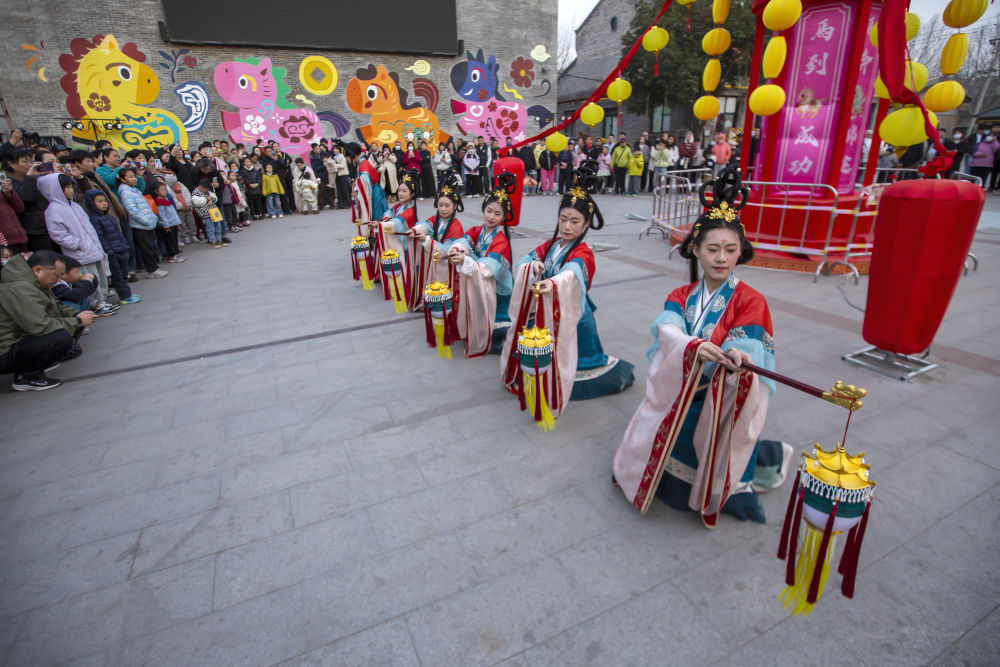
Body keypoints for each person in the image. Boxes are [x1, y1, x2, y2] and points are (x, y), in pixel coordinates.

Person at [613, 166, 791, 525]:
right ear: (695, 249)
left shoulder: (751, 300)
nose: (721, 258)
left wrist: (737, 358)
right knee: (655, 429)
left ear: (742, 251)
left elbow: (750, 350)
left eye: (730, 249)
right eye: (712, 249)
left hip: (718, 395)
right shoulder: (682, 294)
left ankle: (743, 474)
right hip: (682, 388)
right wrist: (691, 345)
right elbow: (667, 328)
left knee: (715, 436)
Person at [501, 185, 635, 416]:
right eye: (563, 219)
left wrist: (553, 284)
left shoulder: (583, 252)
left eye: (575, 221)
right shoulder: (551, 245)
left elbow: (572, 273)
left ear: (585, 225)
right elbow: (526, 258)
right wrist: (534, 266)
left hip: (573, 314)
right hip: (546, 309)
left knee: (572, 357)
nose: (567, 226)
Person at [0, 250, 98, 390]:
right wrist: (76, 321)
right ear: (38, 270)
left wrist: (77, 314)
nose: (59, 280)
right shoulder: (19, 289)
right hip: (5, 350)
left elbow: (56, 308)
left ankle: (36, 364)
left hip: (19, 339)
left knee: (74, 319)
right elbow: (40, 327)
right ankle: (28, 377)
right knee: (60, 337)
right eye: (56, 276)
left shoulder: (32, 283)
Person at [449, 184, 514, 356]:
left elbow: (487, 268)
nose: (492, 216)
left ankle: (493, 334)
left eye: (497, 213)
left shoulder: (501, 240)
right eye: (489, 211)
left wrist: (466, 259)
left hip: (496, 290)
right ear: (484, 209)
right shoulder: (477, 231)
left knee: (496, 325)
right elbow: (463, 241)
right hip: (481, 283)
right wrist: (457, 249)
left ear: (504, 217)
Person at [38, 173, 117, 314]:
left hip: (93, 249)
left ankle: (101, 301)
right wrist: (77, 244)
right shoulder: (53, 210)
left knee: (100, 277)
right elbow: (58, 234)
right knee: (88, 279)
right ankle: (95, 304)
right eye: (66, 187)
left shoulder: (75, 206)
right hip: (80, 253)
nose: (70, 190)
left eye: (70, 187)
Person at [84, 189, 137, 304]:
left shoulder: (110, 217)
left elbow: (119, 233)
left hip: (121, 249)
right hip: (112, 253)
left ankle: (127, 293)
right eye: (99, 201)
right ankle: (124, 296)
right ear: (91, 203)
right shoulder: (94, 220)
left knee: (124, 274)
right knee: (117, 276)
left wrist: (124, 245)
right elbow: (100, 237)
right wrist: (109, 250)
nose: (104, 203)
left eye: (105, 201)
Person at [2, 149, 54, 252]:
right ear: (11, 164)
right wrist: (29, 177)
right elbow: (25, 199)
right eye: (25, 161)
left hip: (48, 226)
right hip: (34, 232)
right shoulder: (8, 183)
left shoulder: (34, 178)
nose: (30, 165)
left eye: (31, 161)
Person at [149, 182, 186, 262]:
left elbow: (172, 212)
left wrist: (177, 222)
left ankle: (177, 253)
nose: (165, 191)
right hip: (168, 225)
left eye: (165, 189)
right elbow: (162, 216)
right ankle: (173, 255)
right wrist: (166, 226)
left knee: (175, 240)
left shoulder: (166, 199)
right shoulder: (159, 202)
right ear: (156, 191)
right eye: (162, 190)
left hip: (173, 223)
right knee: (170, 241)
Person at [191, 178, 226, 248]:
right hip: (205, 213)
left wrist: (211, 200)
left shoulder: (209, 191)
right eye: (206, 189)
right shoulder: (195, 193)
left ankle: (219, 239)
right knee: (210, 228)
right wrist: (206, 199)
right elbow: (197, 202)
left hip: (214, 211)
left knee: (218, 226)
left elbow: (214, 197)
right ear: (201, 187)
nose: (207, 190)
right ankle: (212, 241)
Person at [0, 171, 28, 251]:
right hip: (4, 244)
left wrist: (8, 193)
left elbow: (20, 208)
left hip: (19, 239)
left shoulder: (3, 190)